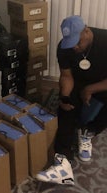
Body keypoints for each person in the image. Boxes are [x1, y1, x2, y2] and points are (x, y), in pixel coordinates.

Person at [36, 15, 107, 185]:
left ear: (87, 31)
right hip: (78, 81)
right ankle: (63, 163)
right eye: (70, 43)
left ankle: (88, 132)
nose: (74, 47)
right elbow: (67, 76)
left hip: (103, 83)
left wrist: (90, 89)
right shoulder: (64, 47)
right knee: (66, 108)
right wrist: (65, 96)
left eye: (77, 42)